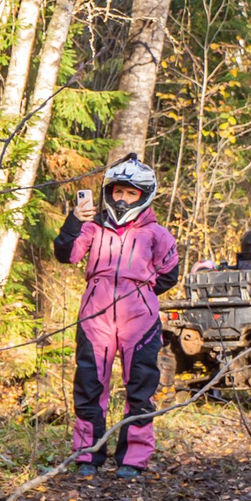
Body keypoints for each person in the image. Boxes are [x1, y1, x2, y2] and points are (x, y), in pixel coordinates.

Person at [55, 155, 181, 478]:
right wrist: (73, 220)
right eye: (117, 192)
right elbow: (66, 254)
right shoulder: (93, 227)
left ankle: (133, 459)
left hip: (139, 321)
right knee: (88, 387)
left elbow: (169, 274)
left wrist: (141, 293)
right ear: (107, 192)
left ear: (145, 195)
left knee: (140, 389)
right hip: (95, 319)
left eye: (131, 193)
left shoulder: (157, 233)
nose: (122, 199)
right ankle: (88, 455)